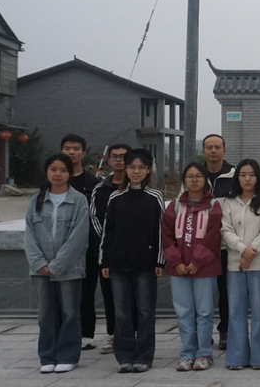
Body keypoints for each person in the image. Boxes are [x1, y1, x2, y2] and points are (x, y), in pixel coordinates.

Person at [100, 149, 165, 373]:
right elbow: (107, 232)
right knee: (122, 313)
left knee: (146, 312)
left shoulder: (155, 197)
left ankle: (144, 356)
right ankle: (124, 356)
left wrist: (160, 261)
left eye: (141, 167)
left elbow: (160, 231)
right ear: (126, 169)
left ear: (148, 170)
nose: (136, 172)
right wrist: (104, 261)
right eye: (132, 167)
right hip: (118, 265)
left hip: (146, 265)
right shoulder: (115, 197)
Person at [25, 154, 91, 373]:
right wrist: (39, 263)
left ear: (70, 173)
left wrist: (56, 265)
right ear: (46, 171)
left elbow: (79, 237)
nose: (58, 174)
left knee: (70, 313)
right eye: (53, 169)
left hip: (69, 269)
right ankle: (47, 357)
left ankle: (68, 356)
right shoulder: (36, 200)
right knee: (45, 315)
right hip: (40, 269)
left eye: (63, 170)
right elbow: (29, 235)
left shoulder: (79, 200)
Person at [162, 163, 223, 371]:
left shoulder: (214, 206)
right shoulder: (174, 206)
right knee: (183, 312)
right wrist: (177, 262)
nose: (194, 180)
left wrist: (197, 261)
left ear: (205, 180)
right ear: (184, 180)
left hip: (205, 268)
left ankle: (204, 353)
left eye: (198, 176)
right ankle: (187, 353)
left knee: (204, 312)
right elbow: (167, 237)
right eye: (190, 176)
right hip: (178, 269)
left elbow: (213, 237)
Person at [220, 159, 260, 370]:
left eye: (251, 175)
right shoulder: (229, 201)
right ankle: (237, 358)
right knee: (236, 311)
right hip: (235, 264)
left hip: (259, 265)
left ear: (258, 177)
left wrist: (250, 253)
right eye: (243, 175)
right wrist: (242, 250)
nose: (247, 179)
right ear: (237, 178)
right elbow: (225, 230)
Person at [89, 143, 132, 355]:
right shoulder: (100, 189)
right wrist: (109, 244)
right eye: (115, 156)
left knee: (135, 296)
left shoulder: (138, 187)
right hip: (108, 253)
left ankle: (133, 334)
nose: (119, 160)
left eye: (123, 156)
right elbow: (95, 219)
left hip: (135, 252)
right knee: (110, 295)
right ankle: (115, 334)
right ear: (108, 160)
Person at [61, 134, 100, 352]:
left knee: (87, 291)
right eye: (67, 148)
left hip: (88, 246)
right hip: (60, 246)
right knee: (62, 293)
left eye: (76, 148)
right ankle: (63, 332)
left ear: (83, 153)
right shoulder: (56, 181)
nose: (71, 152)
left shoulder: (93, 183)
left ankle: (86, 333)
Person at [202, 134, 236, 350]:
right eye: (209, 147)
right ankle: (203, 332)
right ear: (203, 151)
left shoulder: (234, 175)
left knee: (226, 291)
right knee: (203, 293)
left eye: (217, 147)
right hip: (201, 245)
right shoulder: (195, 175)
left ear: (224, 150)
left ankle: (226, 330)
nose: (213, 150)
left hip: (226, 246)